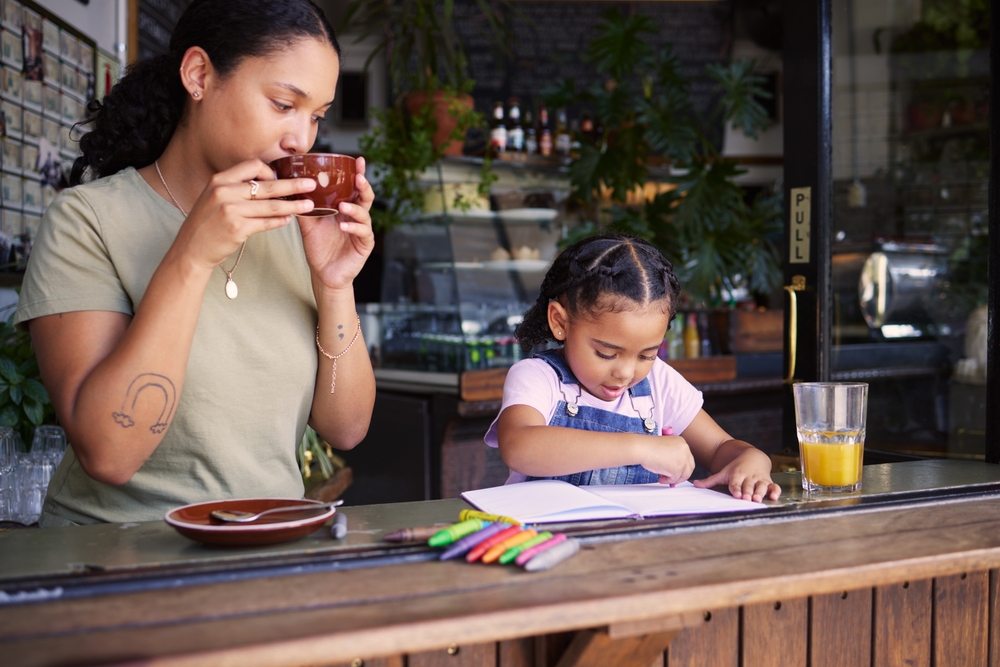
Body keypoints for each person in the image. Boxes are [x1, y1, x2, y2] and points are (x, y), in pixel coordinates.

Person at [14, 0, 376, 525]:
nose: (302, 138)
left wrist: (334, 283)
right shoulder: (87, 220)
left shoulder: (296, 231)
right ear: (199, 75)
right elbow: (109, 454)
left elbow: (346, 429)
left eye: (316, 115)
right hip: (116, 562)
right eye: (282, 104)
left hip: (264, 550)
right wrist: (191, 255)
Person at [485, 234, 780, 502]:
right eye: (605, 353)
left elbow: (720, 449)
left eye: (646, 356)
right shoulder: (539, 377)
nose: (626, 373)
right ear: (560, 323)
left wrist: (752, 460)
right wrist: (641, 448)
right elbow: (520, 447)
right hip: (545, 540)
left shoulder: (660, 383)